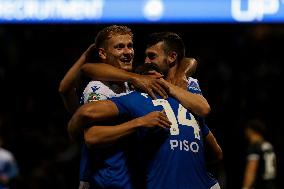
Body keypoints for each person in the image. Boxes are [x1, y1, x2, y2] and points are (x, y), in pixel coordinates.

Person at [68, 32, 222, 189]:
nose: (129, 52)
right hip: (104, 181)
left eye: (151, 56)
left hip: (137, 179)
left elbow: (204, 109)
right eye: (120, 47)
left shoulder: (179, 88)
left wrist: (174, 77)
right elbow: (83, 76)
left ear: (171, 57)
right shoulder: (103, 87)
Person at [242, 118, 277, 189]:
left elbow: (251, 170)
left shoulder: (255, 147)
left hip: (260, 185)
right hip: (271, 184)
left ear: (251, 130)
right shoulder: (268, 145)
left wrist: (245, 187)